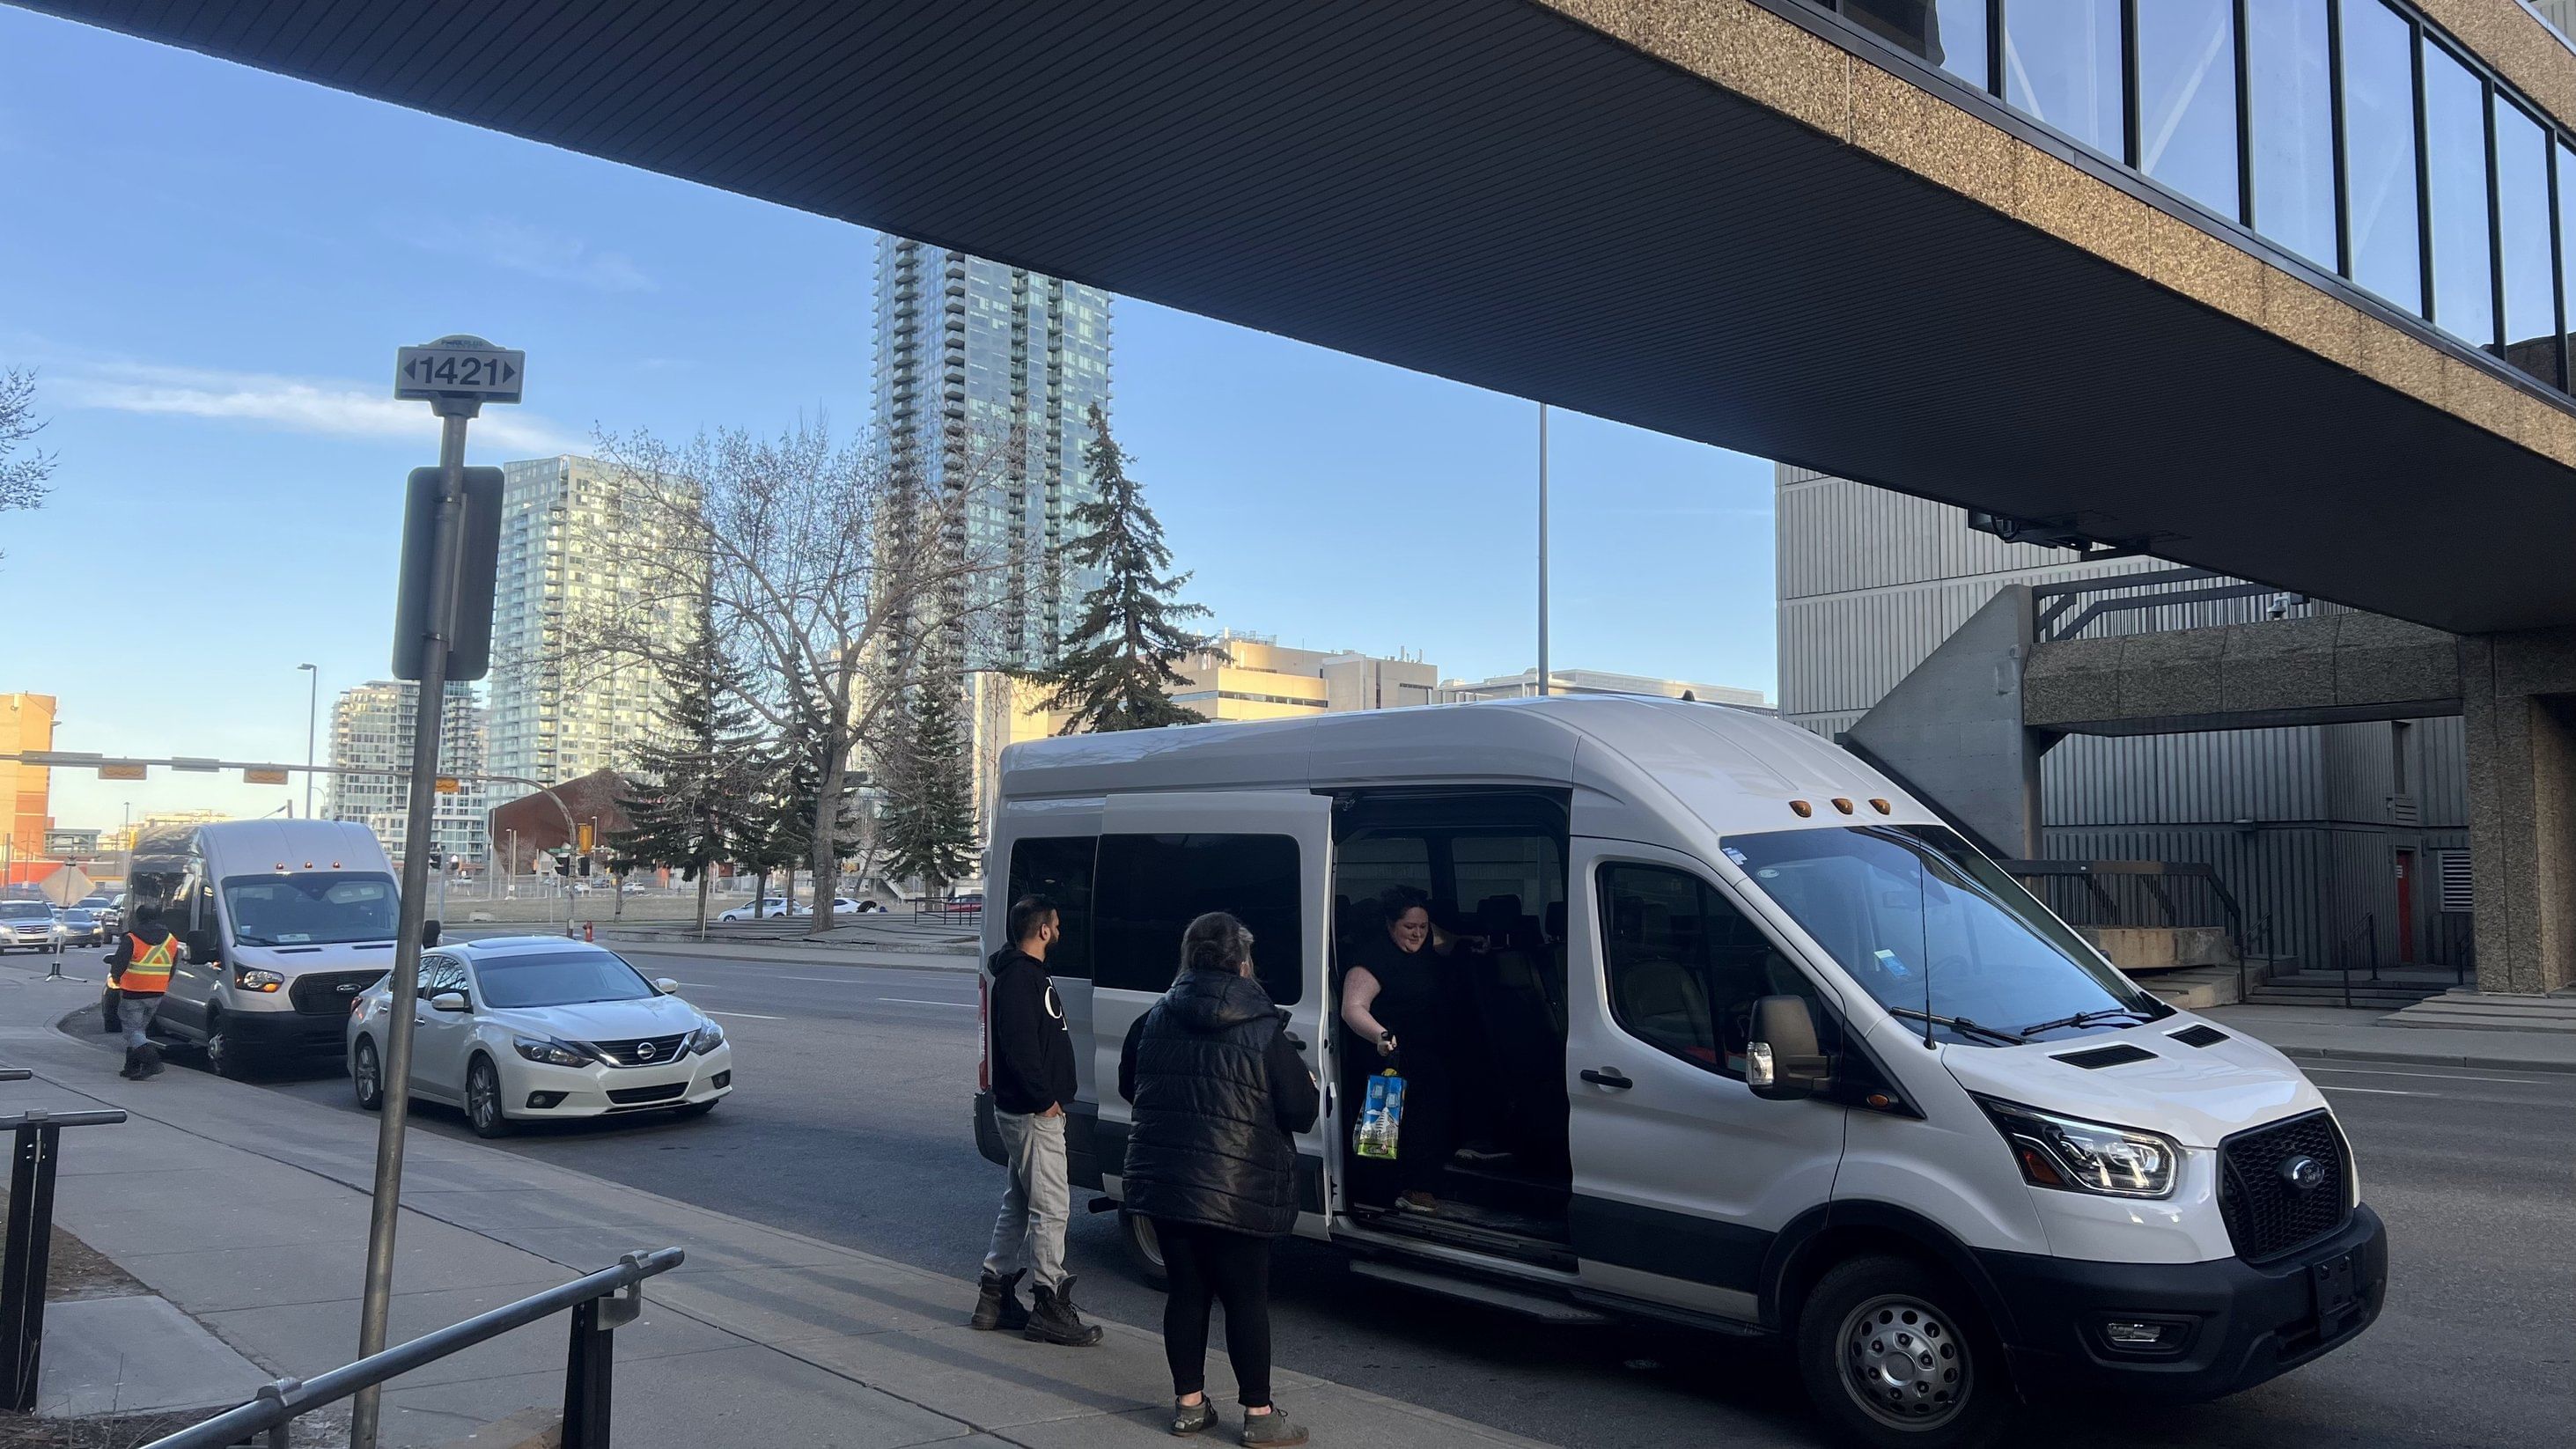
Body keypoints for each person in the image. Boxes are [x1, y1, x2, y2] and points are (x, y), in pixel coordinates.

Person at [1120, 912, 1319, 1445]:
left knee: (1186, 1294)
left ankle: (1188, 1407)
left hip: (1165, 1181)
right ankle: (1258, 1414)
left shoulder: (1153, 1019)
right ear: (1243, 961)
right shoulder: (1264, 1028)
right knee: (1246, 1299)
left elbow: (1130, 1085)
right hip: (1238, 1186)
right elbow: (1300, 1110)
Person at [974, 895, 1103, 1347]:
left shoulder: (1026, 977)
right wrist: (1046, 1100)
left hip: (1028, 1112)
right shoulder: (1018, 981)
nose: (1060, 932)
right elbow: (1020, 1048)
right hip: (1032, 1114)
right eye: (1057, 925)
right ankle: (1050, 1303)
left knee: (1021, 1200)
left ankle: (995, 1293)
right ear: (1043, 930)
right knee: (1051, 1208)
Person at [1337, 887, 1479, 1214]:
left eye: (1422, 927)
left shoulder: (1427, 941)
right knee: (1381, 1127)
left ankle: (1419, 1185)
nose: (1417, 934)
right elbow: (1353, 1008)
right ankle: (1375, 1197)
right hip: (1387, 1055)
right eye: (1409, 927)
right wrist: (1380, 1035)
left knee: (1430, 1114)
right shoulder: (1371, 961)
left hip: (1425, 1052)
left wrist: (1473, 941)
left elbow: (1449, 940)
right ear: (1390, 925)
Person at [104, 903, 181, 1080]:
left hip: (134, 991)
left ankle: (152, 1062)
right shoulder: (171, 939)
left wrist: (115, 978)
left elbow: (120, 962)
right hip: (157, 991)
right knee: (139, 1030)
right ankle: (131, 1066)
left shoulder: (132, 938)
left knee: (132, 1031)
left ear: (139, 918)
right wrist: (163, 982)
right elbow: (173, 966)